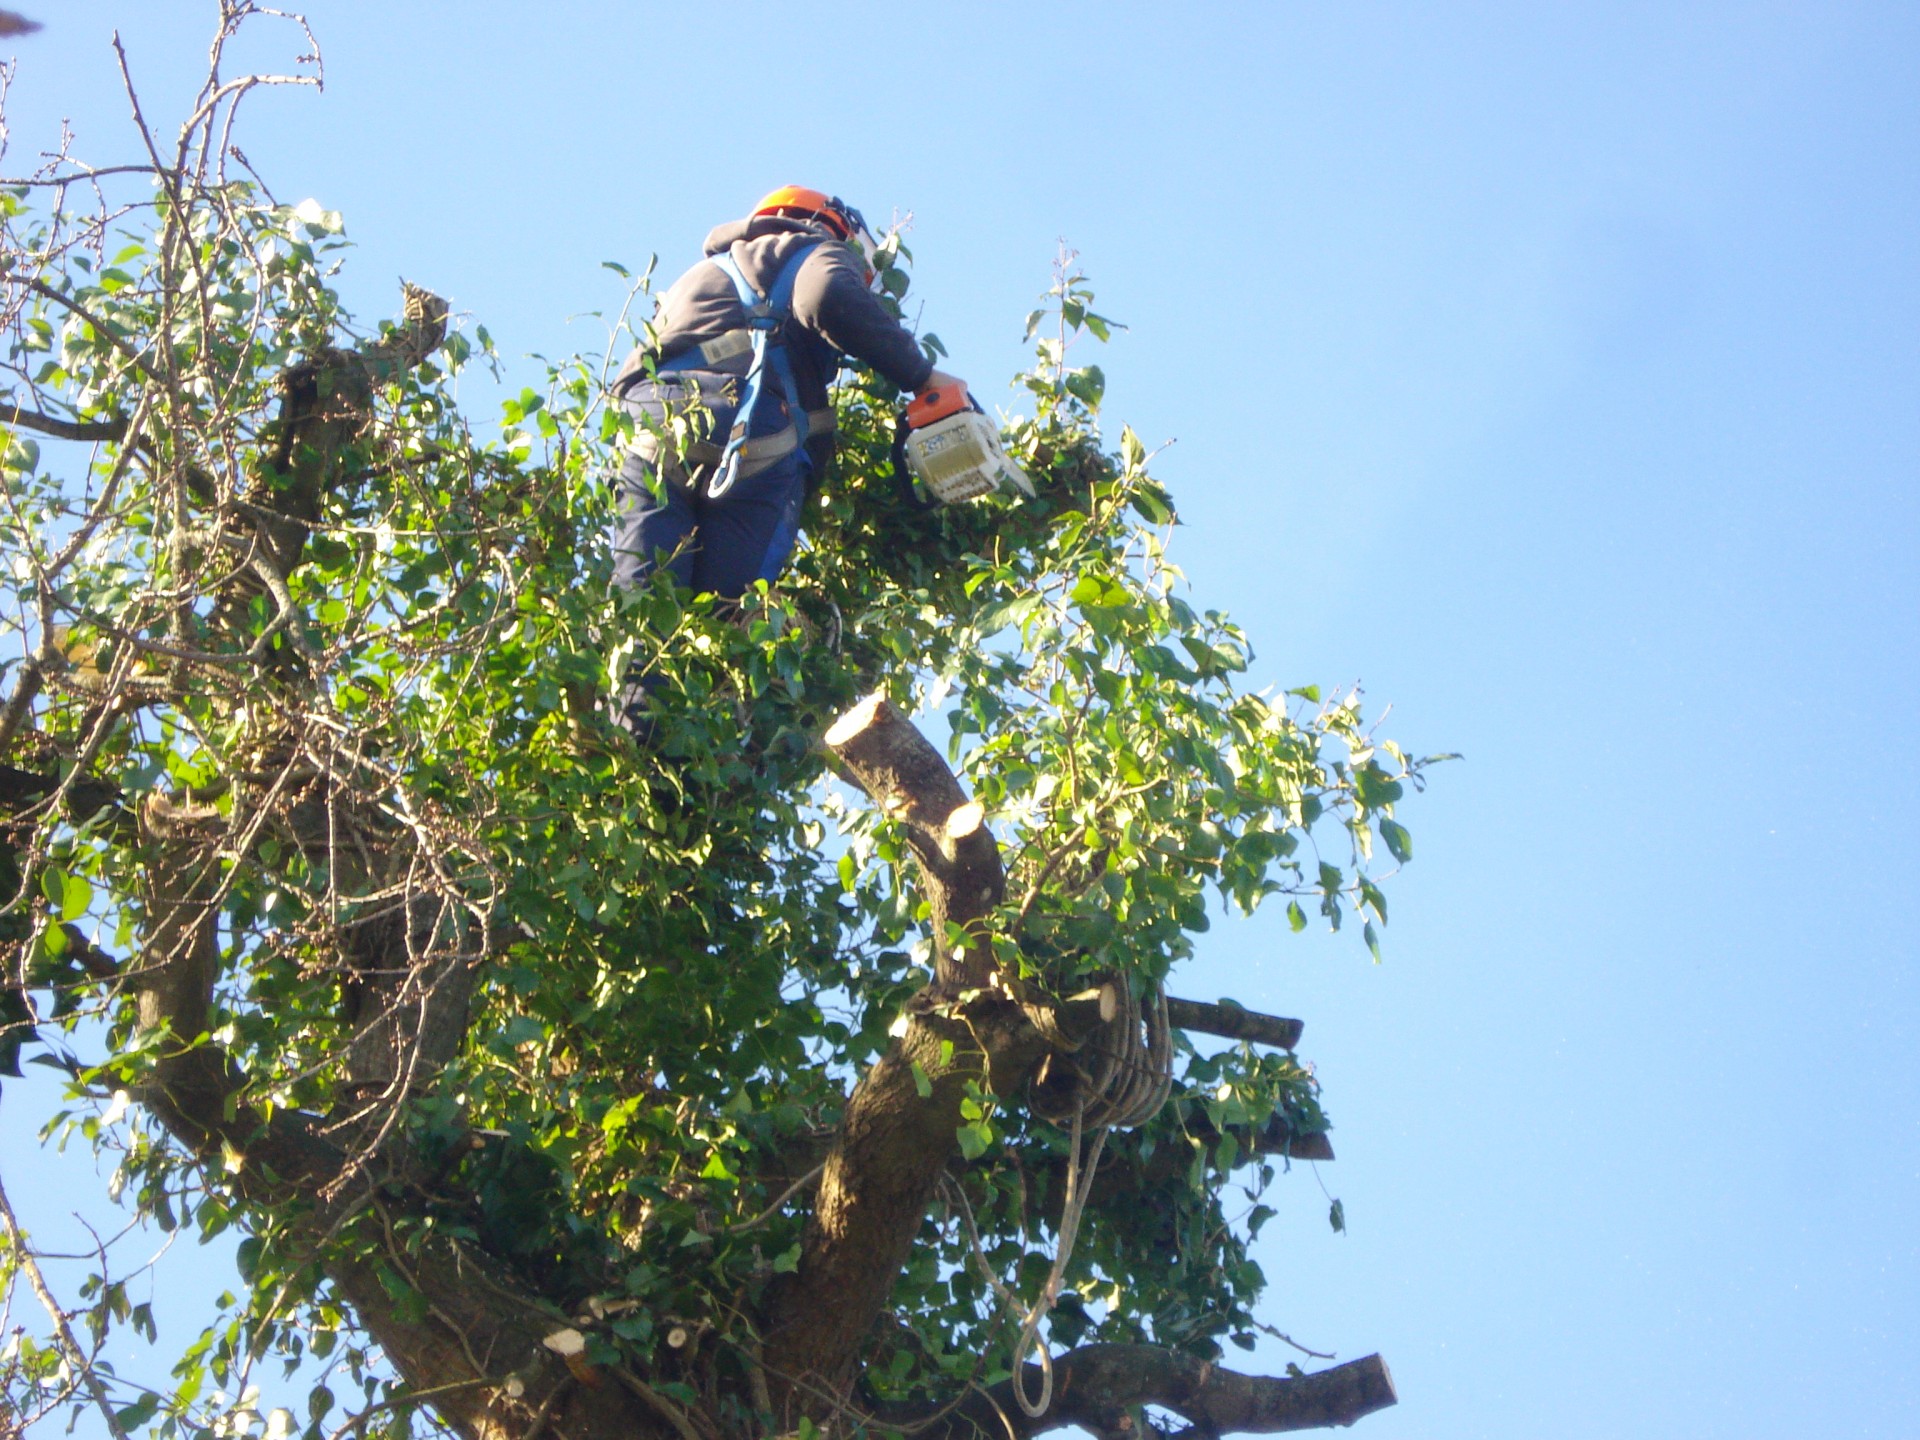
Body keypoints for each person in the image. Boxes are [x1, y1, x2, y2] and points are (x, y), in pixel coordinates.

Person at [609, 186, 961, 604]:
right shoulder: (811, 248)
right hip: (751, 425)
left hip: (653, 424)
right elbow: (829, 294)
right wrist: (920, 376)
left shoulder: (695, 277)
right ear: (831, 226)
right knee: (729, 619)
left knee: (641, 604)